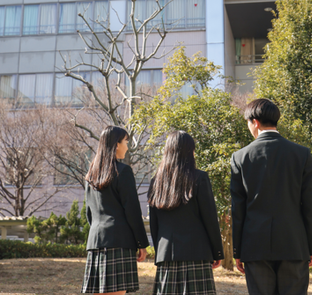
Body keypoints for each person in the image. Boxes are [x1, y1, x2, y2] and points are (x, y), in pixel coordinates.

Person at [230, 98, 312, 295]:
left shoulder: (240, 157)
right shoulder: (302, 154)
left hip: (255, 245)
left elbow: (238, 209)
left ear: (255, 122)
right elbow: (310, 205)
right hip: (294, 244)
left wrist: (238, 250)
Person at [148, 131, 224, 295]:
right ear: (190, 151)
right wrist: (217, 251)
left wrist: (159, 251)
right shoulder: (200, 178)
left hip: (166, 255)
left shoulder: (156, 181)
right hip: (197, 252)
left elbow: (154, 224)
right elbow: (210, 218)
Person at [83, 126, 149, 295]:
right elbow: (132, 211)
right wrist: (142, 243)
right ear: (116, 144)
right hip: (119, 242)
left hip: (95, 242)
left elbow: (89, 213)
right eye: (126, 142)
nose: (127, 147)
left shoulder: (91, 173)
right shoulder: (123, 171)